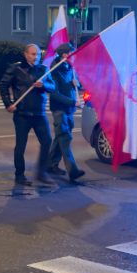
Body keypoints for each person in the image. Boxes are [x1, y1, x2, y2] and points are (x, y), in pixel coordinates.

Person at [0, 44, 56, 186]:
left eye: (37, 54)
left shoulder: (43, 69)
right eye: (32, 54)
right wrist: (8, 103)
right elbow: (3, 86)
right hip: (22, 114)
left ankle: (41, 172)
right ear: (25, 54)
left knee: (47, 141)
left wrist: (43, 85)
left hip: (39, 113)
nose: (35, 57)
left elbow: (52, 86)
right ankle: (19, 175)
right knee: (21, 145)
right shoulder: (16, 68)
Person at [47, 45, 86, 183]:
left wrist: (78, 84)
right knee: (65, 138)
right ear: (64, 55)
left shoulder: (70, 67)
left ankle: (50, 165)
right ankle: (73, 170)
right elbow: (55, 94)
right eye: (71, 53)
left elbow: (75, 84)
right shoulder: (54, 71)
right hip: (60, 109)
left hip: (69, 109)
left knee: (60, 137)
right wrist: (72, 102)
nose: (74, 55)